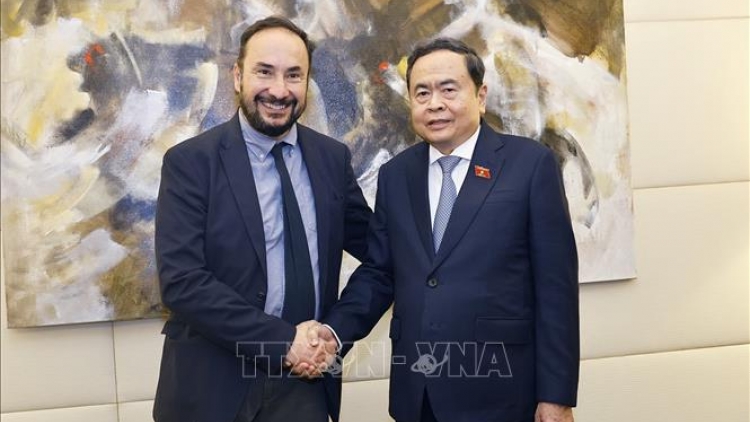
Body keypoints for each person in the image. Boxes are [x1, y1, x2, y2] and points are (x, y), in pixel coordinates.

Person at [306, 37, 580, 422]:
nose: (434, 103)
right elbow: (380, 272)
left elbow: (556, 290)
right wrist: (333, 333)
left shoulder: (530, 165)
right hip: (419, 395)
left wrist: (556, 396)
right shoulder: (396, 175)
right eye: (422, 93)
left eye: (449, 90)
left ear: (480, 96)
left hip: (503, 392)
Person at [152, 16, 371, 422]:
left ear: (307, 83)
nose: (279, 90)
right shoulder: (190, 163)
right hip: (211, 388)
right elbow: (182, 281)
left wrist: (335, 332)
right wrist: (283, 341)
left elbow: (380, 255)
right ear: (238, 77)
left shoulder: (332, 159)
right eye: (264, 72)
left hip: (304, 389)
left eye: (294, 75)